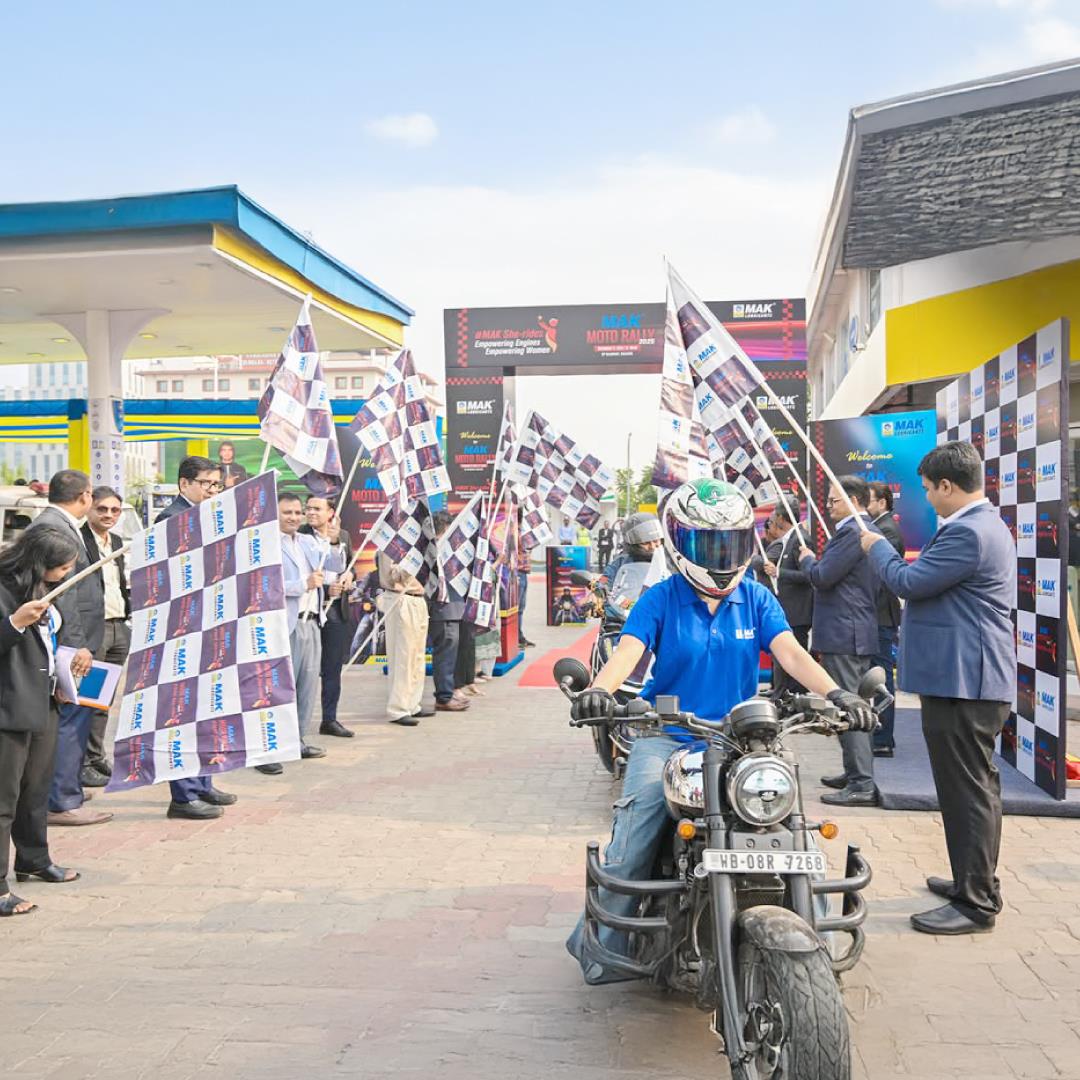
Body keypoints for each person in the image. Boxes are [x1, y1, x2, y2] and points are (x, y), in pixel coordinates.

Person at [565, 478, 876, 983]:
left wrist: (837, 695)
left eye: (729, 543)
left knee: (798, 836)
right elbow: (627, 653)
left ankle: (813, 954)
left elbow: (791, 653)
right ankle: (603, 947)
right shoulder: (660, 599)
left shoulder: (755, 597)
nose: (720, 555)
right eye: (707, 544)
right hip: (669, 734)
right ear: (679, 544)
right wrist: (599, 691)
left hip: (743, 740)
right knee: (635, 833)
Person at [860, 442, 1015, 936]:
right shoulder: (976, 527)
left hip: (965, 681)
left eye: (928, 490)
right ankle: (974, 881)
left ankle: (976, 902)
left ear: (948, 486)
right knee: (972, 788)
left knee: (968, 791)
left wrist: (876, 546)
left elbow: (907, 581)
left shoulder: (968, 532)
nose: (926, 499)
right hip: (964, 679)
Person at [0, 527, 84, 917]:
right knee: (4, 799)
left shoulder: (45, 592)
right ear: (38, 563)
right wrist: (15, 623)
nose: (66, 574)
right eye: (61, 568)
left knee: (36, 789)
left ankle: (33, 858)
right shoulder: (5, 591)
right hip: (9, 706)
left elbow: (50, 639)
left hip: (45, 698)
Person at [27, 470, 112, 828]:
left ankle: (67, 787)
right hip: (71, 643)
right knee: (71, 717)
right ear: (85, 496)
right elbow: (67, 592)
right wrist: (78, 645)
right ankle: (62, 799)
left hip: (82, 637)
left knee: (81, 714)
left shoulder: (59, 524)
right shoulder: (54, 528)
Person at [156, 456, 241, 814]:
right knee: (183, 713)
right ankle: (184, 794)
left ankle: (202, 781)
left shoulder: (209, 518)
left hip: (209, 627)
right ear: (184, 484)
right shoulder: (172, 520)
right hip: (182, 630)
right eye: (206, 484)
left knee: (207, 710)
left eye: (216, 485)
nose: (212, 490)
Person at [797, 476, 883, 807]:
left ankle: (862, 782)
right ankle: (854, 773)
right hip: (848, 630)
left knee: (853, 708)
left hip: (846, 632)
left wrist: (807, 559)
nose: (829, 507)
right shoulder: (854, 531)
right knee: (848, 706)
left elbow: (822, 576)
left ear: (855, 500)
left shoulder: (852, 532)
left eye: (834, 501)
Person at [279, 493, 343, 758]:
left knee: (307, 687)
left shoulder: (307, 541)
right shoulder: (267, 545)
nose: (294, 517)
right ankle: (276, 746)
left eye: (297, 512)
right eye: (287, 513)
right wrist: (301, 585)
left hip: (313, 622)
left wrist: (334, 539)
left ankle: (299, 740)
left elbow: (333, 566)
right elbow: (264, 587)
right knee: (284, 688)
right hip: (286, 625)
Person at [78, 487, 131, 788]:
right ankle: (81, 762)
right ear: (90, 508)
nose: (108, 515)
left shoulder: (119, 542)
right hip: (93, 630)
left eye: (114, 510)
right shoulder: (80, 541)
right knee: (88, 697)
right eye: (103, 509)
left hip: (118, 627)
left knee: (104, 700)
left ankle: (96, 755)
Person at [300, 496, 355, 738]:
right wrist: (324, 590)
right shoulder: (300, 536)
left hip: (336, 611)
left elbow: (349, 565)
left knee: (332, 668)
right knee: (305, 670)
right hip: (309, 613)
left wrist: (349, 577)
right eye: (308, 508)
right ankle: (297, 723)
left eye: (317, 509)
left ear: (331, 512)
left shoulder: (342, 535)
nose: (310, 513)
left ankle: (329, 719)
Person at [755, 505, 813, 694]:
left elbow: (808, 575)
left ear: (781, 518)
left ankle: (793, 698)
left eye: (773, 517)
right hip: (787, 611)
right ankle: (782, 696)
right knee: (781, 658)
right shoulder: (787, 540)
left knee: (793, 659)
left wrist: (779, 572)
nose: (771, 521)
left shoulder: (800, 539)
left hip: (797, 612)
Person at [867, 482, 905, 757]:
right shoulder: (879, 527)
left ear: (882, 502)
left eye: (867, 501)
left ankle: (882, 738)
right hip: (874, 614)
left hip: (881, 613)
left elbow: (881, 575)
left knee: (881, 679)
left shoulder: (887, 531)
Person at [378, 551, 433, 727]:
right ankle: (398, 708)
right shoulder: (391, 543)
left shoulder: (418, 542)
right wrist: (414, 562)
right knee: (403, 657)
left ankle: (412, 703)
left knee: (417, 656)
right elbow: (392, 576)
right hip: (401, 599)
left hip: (418, 598)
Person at [428, 511, 470, 713]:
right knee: (444, 654)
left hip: (455, 608)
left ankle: (449, 691)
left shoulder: (454, 549)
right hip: (442, 609)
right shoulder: (433, 549)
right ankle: (444, 697)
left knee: (451, 655)